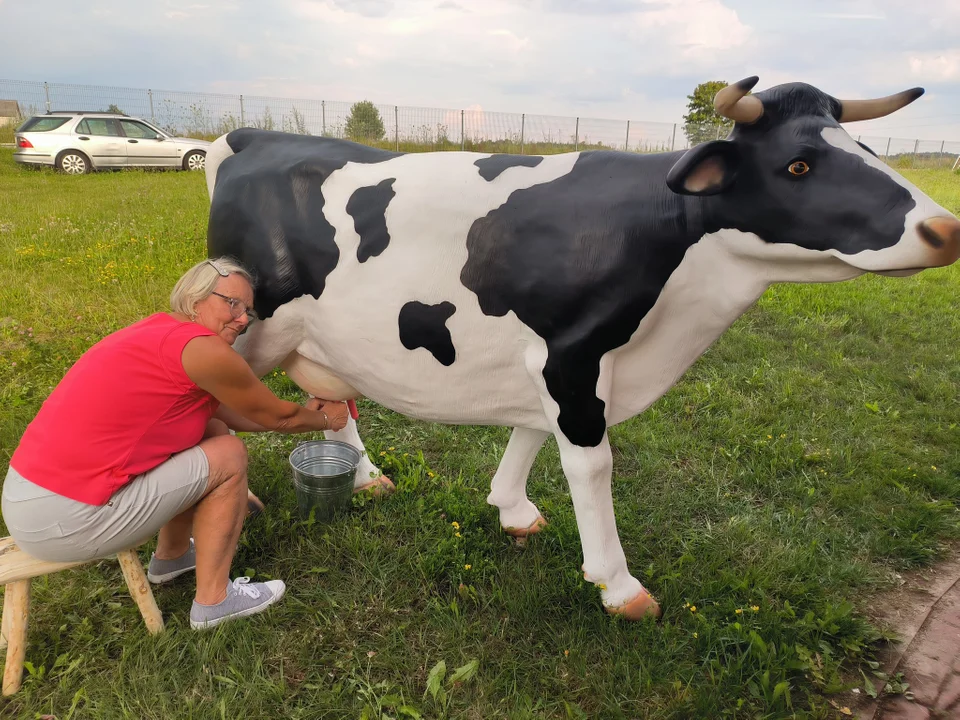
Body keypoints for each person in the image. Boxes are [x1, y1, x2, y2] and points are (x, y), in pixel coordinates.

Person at [1, 257, 348, 629]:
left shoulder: (161, 332)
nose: (243, 318)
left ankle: (173, 556)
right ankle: (214, 601)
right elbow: (276, 417)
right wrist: (326, 418)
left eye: (248, 310)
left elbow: (231, 414)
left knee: (212, 430)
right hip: (66, 518)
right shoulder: (205, 351)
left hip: (30, 498)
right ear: (195, 299)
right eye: (232, 303)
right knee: (229, 456)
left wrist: (300, 413)